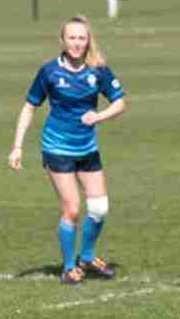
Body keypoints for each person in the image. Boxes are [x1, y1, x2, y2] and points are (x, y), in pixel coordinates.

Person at [8, 16, 127, 284]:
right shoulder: (49, 72)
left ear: (88, 41)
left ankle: (87, 256)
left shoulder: (98, 70)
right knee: (72, 209)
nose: (76, 43)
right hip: (57, 148)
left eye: (81, 38)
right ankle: (69, 268)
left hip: (87, 148)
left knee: (99, 207)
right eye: (71, 38)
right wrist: (17, 146)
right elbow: (30, 106)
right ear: (63, 40)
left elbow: (120, 102)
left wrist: (99, 117)